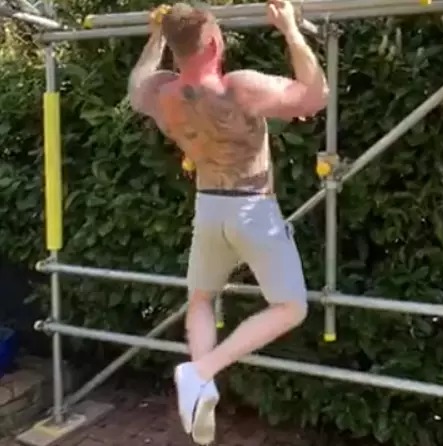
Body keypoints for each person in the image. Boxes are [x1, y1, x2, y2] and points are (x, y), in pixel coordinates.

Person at [127, 1, 328, 444]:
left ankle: (199, 391)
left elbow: (136, 83)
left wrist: (156, 37)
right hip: (252, 208)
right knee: (291, 307)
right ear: (216, 43)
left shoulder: (161, 94)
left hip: (208, 207)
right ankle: (201, 371)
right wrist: (291, 31)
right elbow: (316, 96)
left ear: (175, 49)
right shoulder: (239, 88)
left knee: (200, 299)